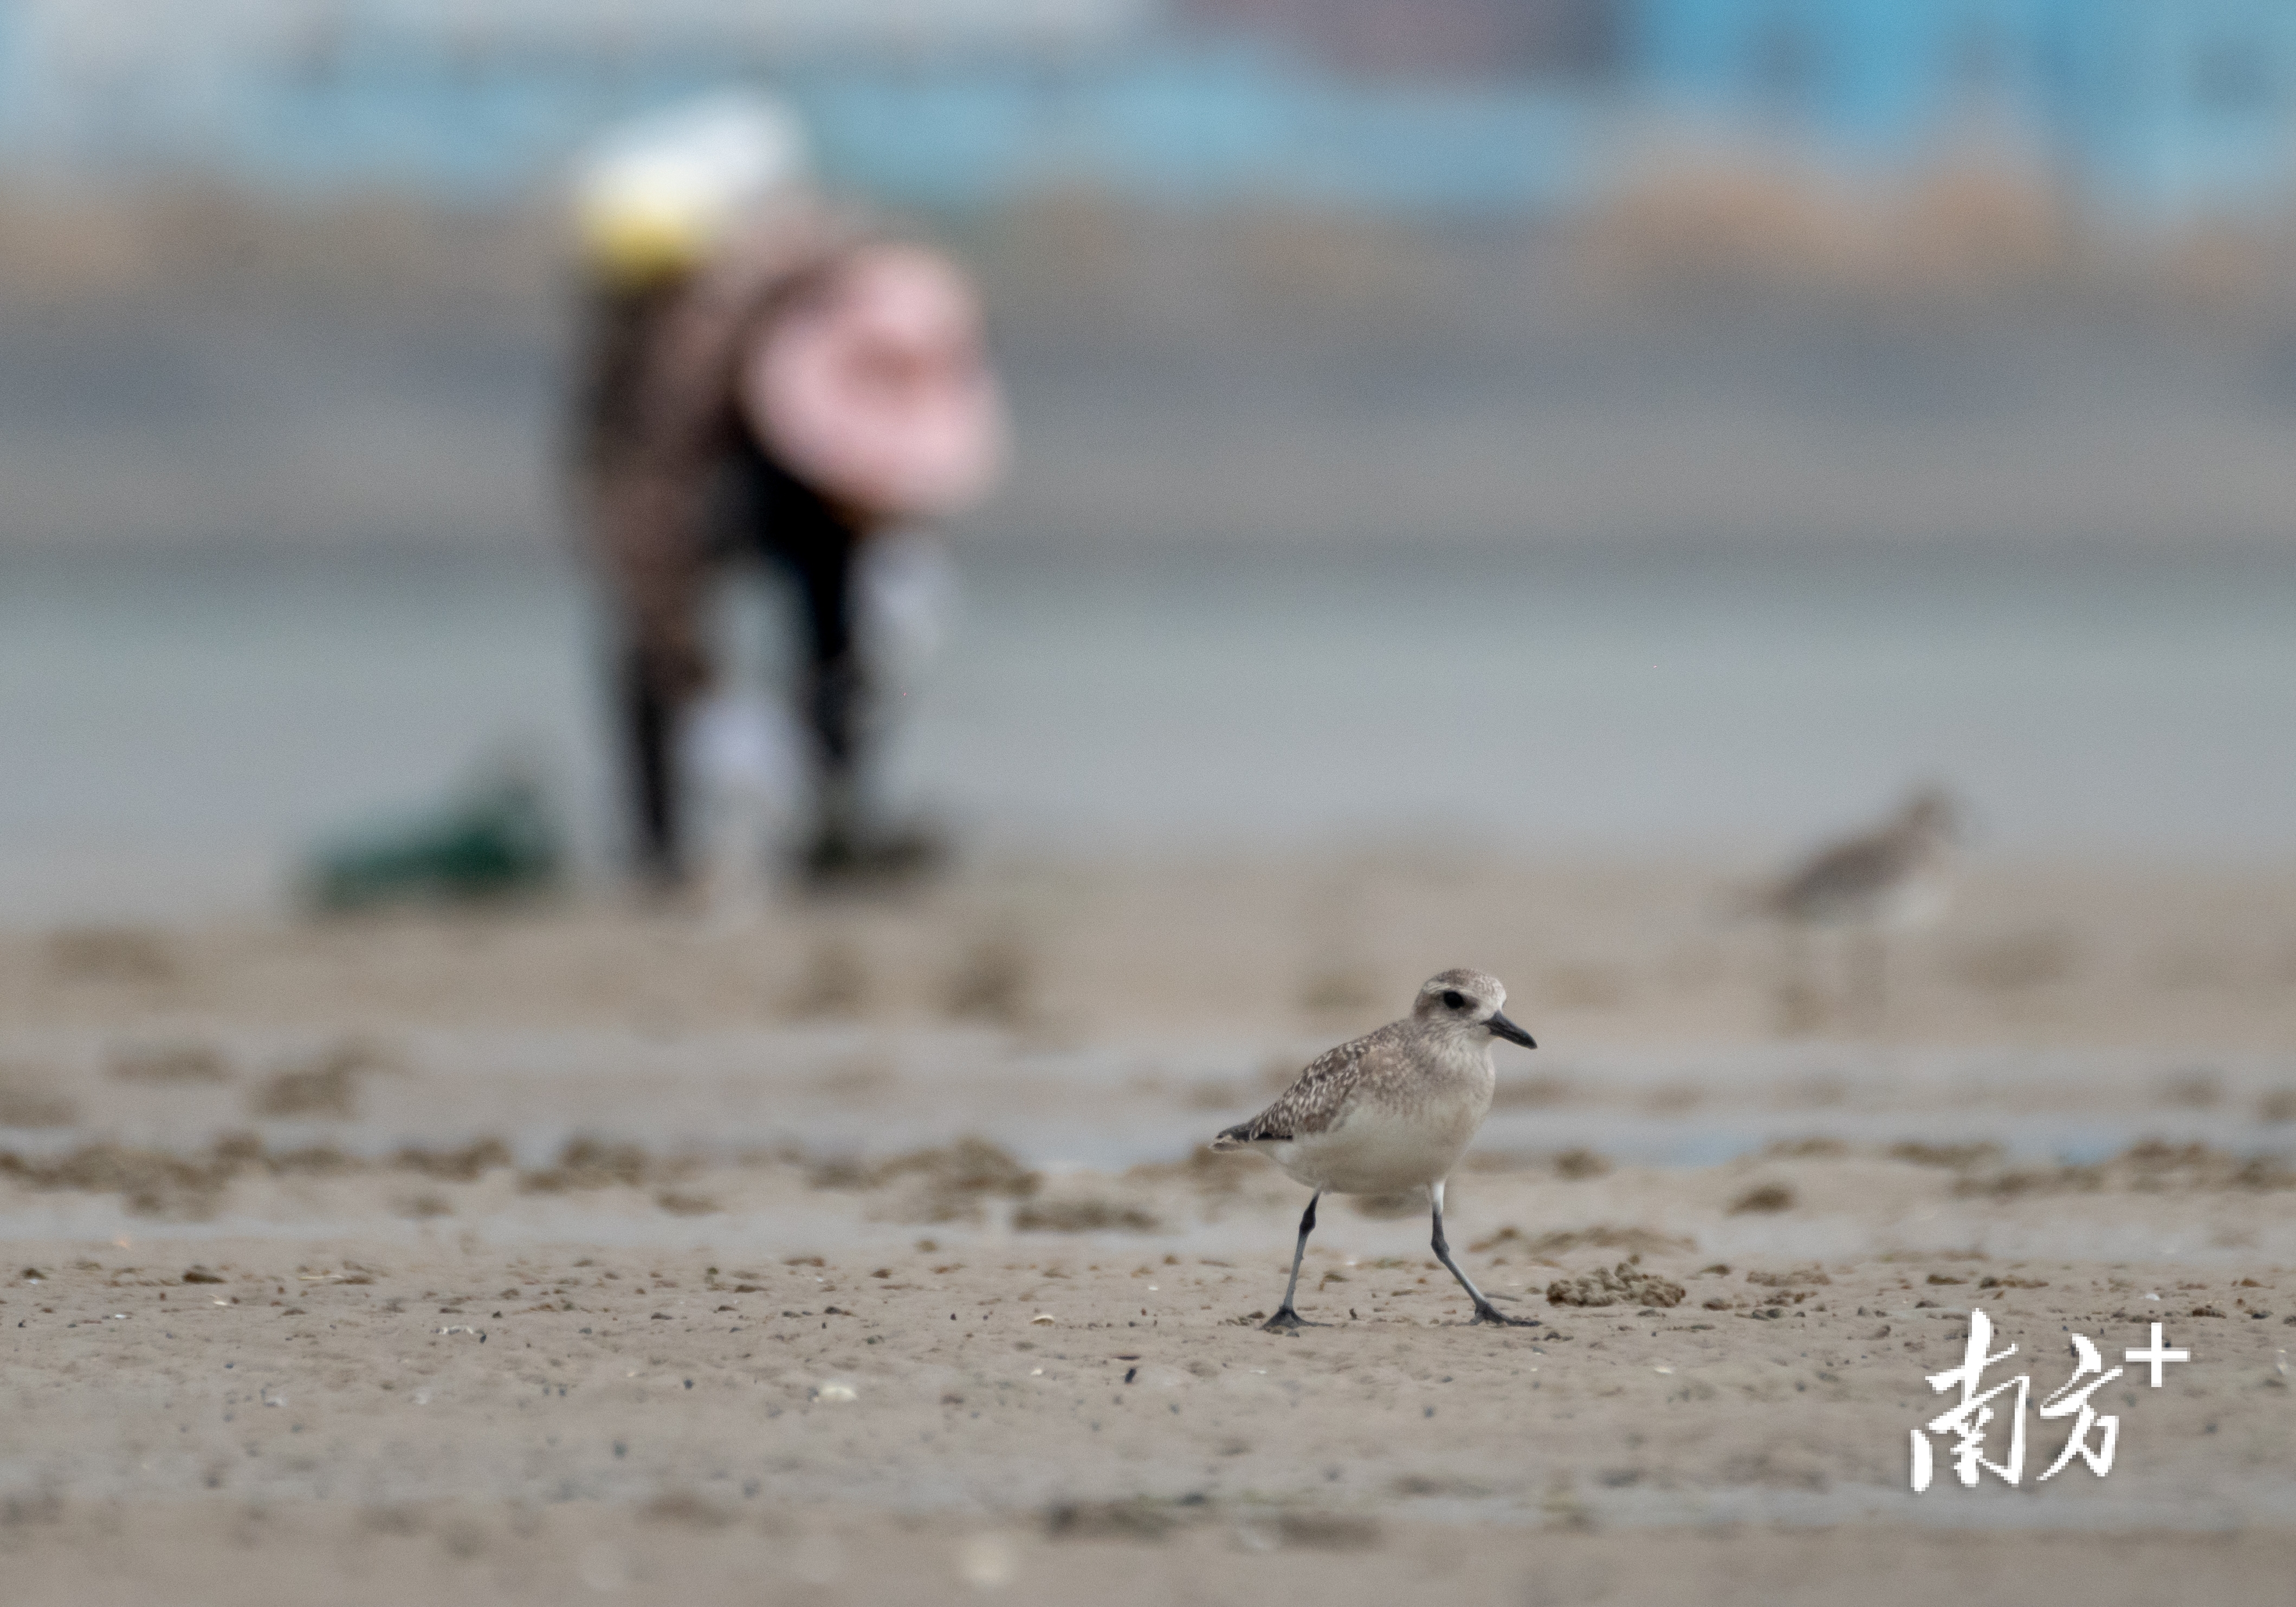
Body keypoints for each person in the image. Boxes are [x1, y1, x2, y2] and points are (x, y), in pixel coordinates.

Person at [567, 98, 1005, 892]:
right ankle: (665, 853)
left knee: (837, 632)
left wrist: (902, 534)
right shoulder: (664, 357)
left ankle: (829, 823)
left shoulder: (842, 286)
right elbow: (640, 514)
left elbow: (899, 406)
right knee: (658, 655)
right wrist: (699, 688)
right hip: (718, 498)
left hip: (799, 497)